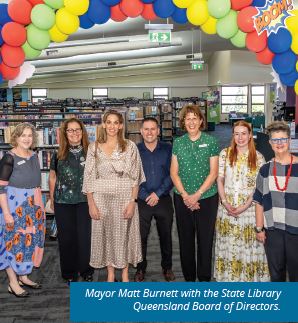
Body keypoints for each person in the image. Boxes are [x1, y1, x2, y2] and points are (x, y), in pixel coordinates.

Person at [82, 110, 145, 282]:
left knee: (123, 235)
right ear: (103, 124)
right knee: (106, 235)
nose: (112, 126)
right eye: (108, 122)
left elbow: (136, 177)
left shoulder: (130, 146)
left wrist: (133, 201)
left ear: (121, 125)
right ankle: (110, 274)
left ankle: (124, 274)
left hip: (124, 197)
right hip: (101, 198)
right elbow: (88, 176)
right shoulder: (93, 147)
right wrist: (91, 204)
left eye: (116, 122)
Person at [214, 121, 269, 282]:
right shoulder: (225, 153)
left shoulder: (259, 158)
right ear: (233, 135)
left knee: (248, 246)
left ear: (250, 135)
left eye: (244, 133)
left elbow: (259, 188)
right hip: (227, 209)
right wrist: (225, 202)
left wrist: (244, 207)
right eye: (236, 134)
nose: (240, 137)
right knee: (229, 245)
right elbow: (220, 179)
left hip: (250, 210)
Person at [170, 104, 219, 282]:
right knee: (186, 240)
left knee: (205, 240)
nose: (191, 122)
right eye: (187, 119)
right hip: (182, 198)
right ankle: (189, 278)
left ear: (200, 121)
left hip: (206, 198)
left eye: (194, 118)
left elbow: (214, 172)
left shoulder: (211, 141)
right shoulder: (178, 142)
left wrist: (197, 195)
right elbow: (173, 172)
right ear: (183, 122)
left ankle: (204, 279)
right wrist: (185, 196)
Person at [0, 123, 45, 297]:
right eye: (23, 135)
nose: (27, 139)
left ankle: (23, 276)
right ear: (16, 138)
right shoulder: (8, 158)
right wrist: (6, 214)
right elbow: (1, 189)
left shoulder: (34, 156)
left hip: (33, 206)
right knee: (12, 243)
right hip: (14, 207)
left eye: (30, 135)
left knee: (29, 241)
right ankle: (13, 282)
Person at [49, 118, 94, 284]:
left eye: (77, 130)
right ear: (65, 133)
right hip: (63, 203)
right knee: (67, 239)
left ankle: (86, 271)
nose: (74, 133)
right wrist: (52, 198)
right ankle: (69, 273)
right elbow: (53, 177)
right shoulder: (58, 154)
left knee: (85, 238)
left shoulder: (91, 152)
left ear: (82, 132)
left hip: (85, 201)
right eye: (70, 130)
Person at [253, 121, 298, 282]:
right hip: (273, 231)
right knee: (276, 275)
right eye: (275, 140)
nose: (279, 143)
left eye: (283, 139)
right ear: (270, 143)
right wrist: (259, 229)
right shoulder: (265, 169)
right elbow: (259, 200)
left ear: (289, 141)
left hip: (296, 231)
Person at [134, 117, 174, 282]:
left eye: (153, 129)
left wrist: (158, 193)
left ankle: (167, 267)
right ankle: (140, 269)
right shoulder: (134, 150)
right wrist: (144, 195)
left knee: (166, 236)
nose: (149, 132)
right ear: (141, 131)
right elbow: (132, 176)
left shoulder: (168, 148)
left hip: (163, 199)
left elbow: (173, 174)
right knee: (140, 237)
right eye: (146, 129)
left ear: (158, 131)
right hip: (142, 200)